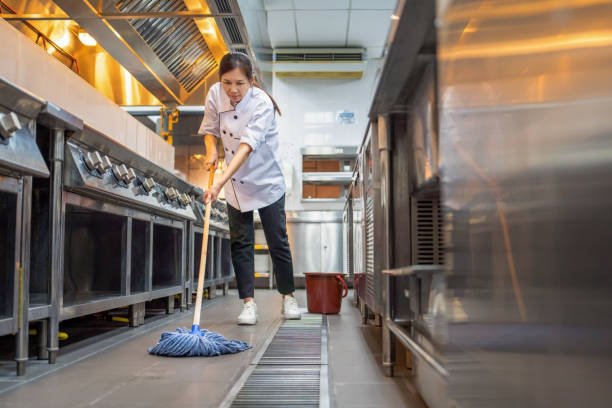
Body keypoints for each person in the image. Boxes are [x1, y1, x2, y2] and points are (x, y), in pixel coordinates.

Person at [198, 52, 301, 325]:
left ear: (251, 81)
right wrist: (211, 151)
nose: (232, 90)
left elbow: (247, 146)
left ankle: (288, 296)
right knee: (240, 243)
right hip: (236, 183)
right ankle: (248, 303)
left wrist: (219, 179)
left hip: (266, 179)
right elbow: (209, 128)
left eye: (240, 84)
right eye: (227, 82)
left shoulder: (262, 104)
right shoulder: (214, 95)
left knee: (277, 240)